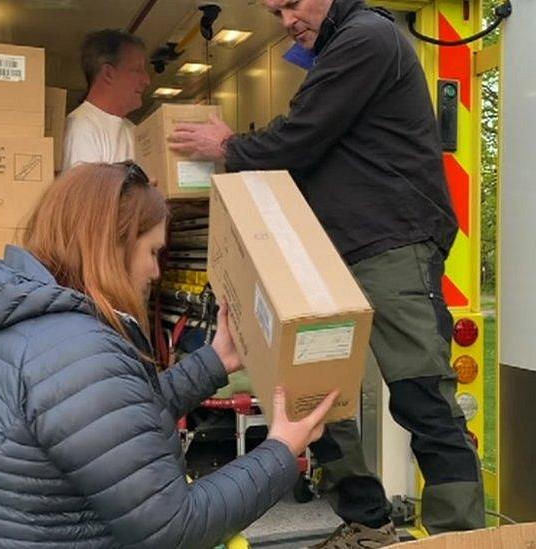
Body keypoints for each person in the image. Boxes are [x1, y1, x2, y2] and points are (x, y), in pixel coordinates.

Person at [167, 0, 486, 546]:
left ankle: (462, 537)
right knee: (316, 396)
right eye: (275, 11)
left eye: (291, 3)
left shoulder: (366, 38)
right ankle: (367, 524)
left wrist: (227, 146)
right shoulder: (337, 48)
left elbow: (300, 137)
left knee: (421, 397)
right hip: (331, 257)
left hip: (390, 244)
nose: (287, 19)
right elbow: (304, 136)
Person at [0, 162, 339, 548]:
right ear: (112, 246)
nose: (155, 272)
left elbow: (111, 428)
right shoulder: (78, 350)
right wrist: (281, 450)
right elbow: (172, 527)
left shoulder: (22, 321)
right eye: (151, 252)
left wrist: (214, 361)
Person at [62, 30, 151, 170]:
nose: (146, 80)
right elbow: (86, 191)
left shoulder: (133, 130)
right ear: (108, 73)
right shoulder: (81, 128)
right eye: (137, 70)